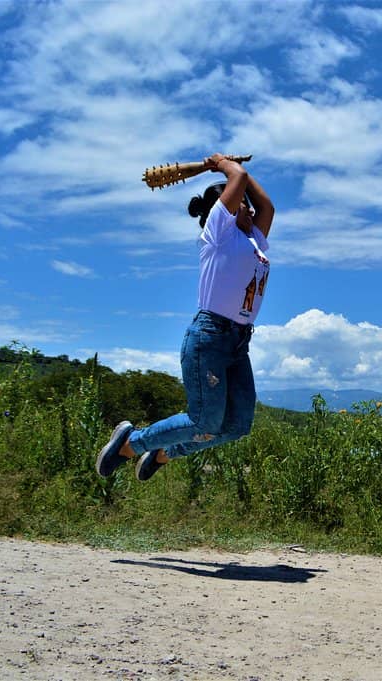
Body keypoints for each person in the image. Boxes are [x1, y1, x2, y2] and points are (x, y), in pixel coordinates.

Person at [95, 153, 275, 481]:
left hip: (238, 341)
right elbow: (237, 179)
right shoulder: (219, 233)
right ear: (228, 208)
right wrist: (221, 163)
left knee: (237, 425)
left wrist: (239, 173)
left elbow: (267, 207)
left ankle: (163, 453)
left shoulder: (255, 241)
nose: (249, 208)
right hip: (211, 336)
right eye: (242, 203)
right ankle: (129, 443)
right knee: (205, 420)